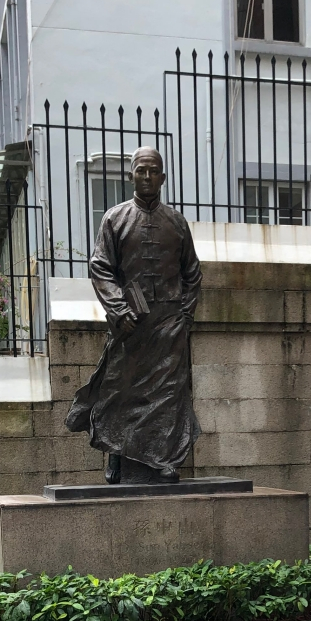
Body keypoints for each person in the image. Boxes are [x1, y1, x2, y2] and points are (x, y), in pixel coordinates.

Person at [66, 147, 203, 484]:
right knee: (120, 391)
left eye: (153, 171)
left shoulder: (177, 223)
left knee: (168, 394)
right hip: (130, 323)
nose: (147, 177)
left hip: (169, 324)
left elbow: (192, 273)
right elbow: (101, 267)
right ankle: (116, 452)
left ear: (163, 177)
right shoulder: (115, 219)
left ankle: (164, 458)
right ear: (131, 176)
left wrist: (184, 316)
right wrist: (118, 309)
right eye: (141, 171)